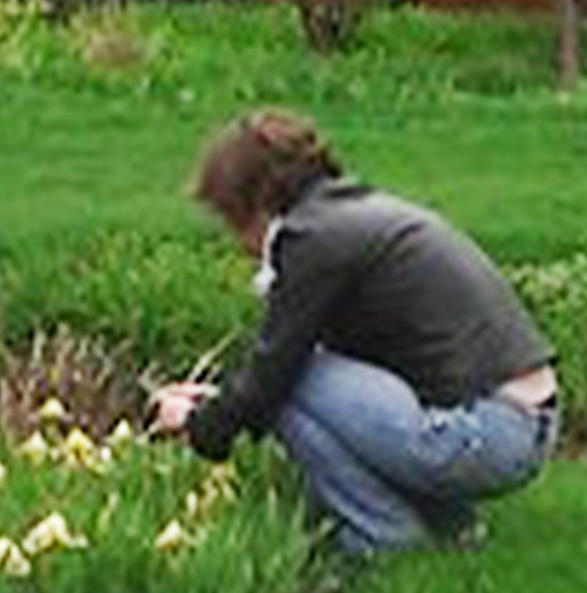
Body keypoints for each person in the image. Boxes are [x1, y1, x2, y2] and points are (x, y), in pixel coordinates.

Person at [150, 109, 559, 554]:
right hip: (516, 423)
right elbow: (331, 388)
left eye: (231, 220)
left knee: (294, 380)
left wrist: (197, 424)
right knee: (295, 382)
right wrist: (220, 401)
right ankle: (449, 533)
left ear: (257, 202)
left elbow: (274, 372)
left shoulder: (312, 239)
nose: (235, 242)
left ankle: (385, 541)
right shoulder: (347, 215)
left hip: (490, 431)